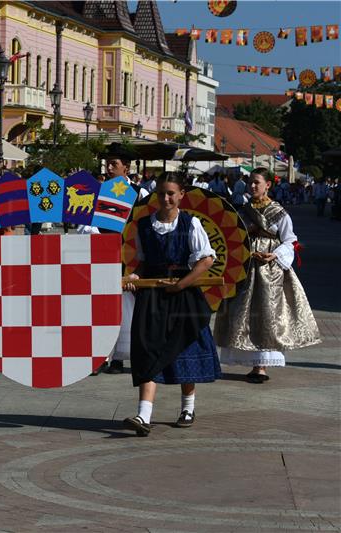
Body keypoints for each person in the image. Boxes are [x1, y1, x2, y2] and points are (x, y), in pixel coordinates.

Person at [123, 173, 220, 436]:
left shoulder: (191, 223)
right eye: (160, 193)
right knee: (147, 347)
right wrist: (135, 277)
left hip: (183, 292)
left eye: (170, 193)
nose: (165, 198)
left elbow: (206, 260)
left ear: (181, 195)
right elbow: (143, 263)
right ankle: (144, 415)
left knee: (184, 345)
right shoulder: (143, 226)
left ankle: (188, 407)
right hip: (153, 294)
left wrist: (181, 284)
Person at [214, 169, 320, 383]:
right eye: (250, 182)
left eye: (256, 182)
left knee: (265, 313)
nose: (252, 186)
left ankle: (261, 365)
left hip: (269, 269)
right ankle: (248, 359)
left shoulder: (278, 212)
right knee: (242, 313)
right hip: (244, 265)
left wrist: (276, 254)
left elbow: (290, 240)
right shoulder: (241, 210)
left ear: (268, 185)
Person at [95, 143, 148, 375]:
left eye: (114, 164)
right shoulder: (97, 192)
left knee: (128, 307)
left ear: (126, 168)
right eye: (108, 163)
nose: (108, 167)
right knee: (102, 306)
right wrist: (98, 238)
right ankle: (99, 356)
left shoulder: (140, 193)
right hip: (104, 255)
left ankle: (120, 356)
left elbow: (146, 224)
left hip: (130, 257)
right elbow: (87, 225)